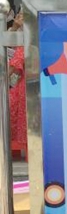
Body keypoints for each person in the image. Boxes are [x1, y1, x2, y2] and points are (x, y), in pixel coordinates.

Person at [7, 11, 27, 158]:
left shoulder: (27, 39)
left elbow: (14, 65)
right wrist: (14, 27)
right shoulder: (16, 33)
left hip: (23, 84)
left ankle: (16, 148)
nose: (19, 18)